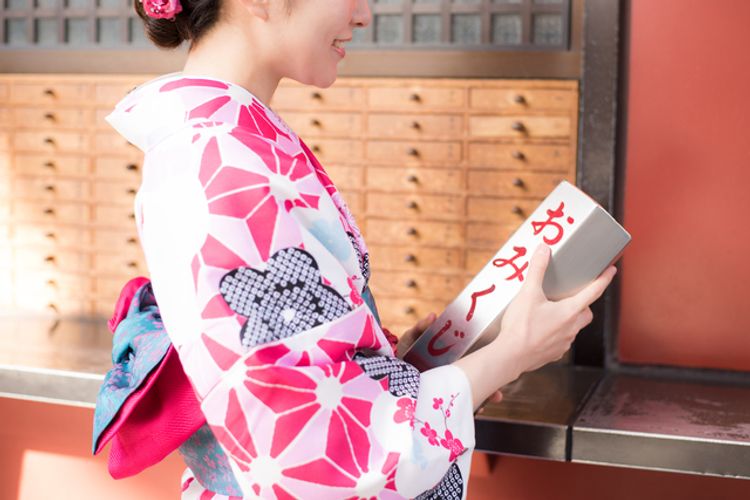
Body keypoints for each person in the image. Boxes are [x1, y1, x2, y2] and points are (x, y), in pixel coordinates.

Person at [97, 0, 617, 498]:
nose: (364, 13)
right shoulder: (223, 166)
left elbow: (292, 365)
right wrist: (510, 354)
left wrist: (397, 368)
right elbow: (315, 447)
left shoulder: (228, 147)